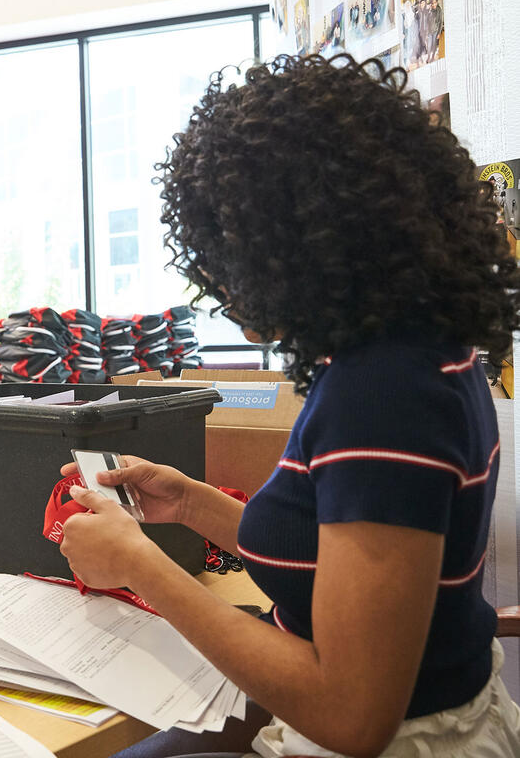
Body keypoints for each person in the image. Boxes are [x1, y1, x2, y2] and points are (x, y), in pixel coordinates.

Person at [58, 54, 520, 758]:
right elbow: (340, 559)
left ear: (297, 246)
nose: (219, 286)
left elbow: (351, 715)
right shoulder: (405, 353)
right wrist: (191, 504)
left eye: (227, 258)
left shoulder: (384, 396)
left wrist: (141, 567)